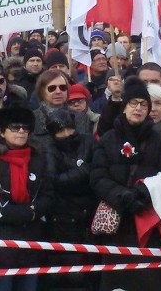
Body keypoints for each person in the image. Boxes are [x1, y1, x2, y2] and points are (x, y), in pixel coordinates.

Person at [89, 77, 161, 291]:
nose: (138, 108)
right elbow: (98, 177)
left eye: (144, 104)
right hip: (117, 226)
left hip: (149, 223)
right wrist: (122, 196)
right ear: (125, 107)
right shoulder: (109, 139)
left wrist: (143, 193)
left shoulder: (159, 141)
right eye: (133, 103)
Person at [0, 106, 53, 291]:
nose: (21, 131)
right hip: (0, 241)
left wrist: (33, 212)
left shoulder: (38, 158)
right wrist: (28, 212)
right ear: (2, 131)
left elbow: (48, 194)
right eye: (15, 127)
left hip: (31, 240)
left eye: (25, 128)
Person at [42, 109, 96, 291]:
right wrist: (82, 171)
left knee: (92, 272)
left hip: (90, 215)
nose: (66, 135)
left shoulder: (87, 141)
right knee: (70, 275)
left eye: (69, 129)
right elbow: (54, 181)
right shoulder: (49, 148)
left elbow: (98, 170)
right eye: (60, 131)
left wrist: (78, 175)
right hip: (63, 219)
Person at [32, 69, 90, 141]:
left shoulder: (80, 117)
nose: (58, 91)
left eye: (63, 87)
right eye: (52, 88)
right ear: (42, 91)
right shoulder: (32, 118)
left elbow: (85, 147)